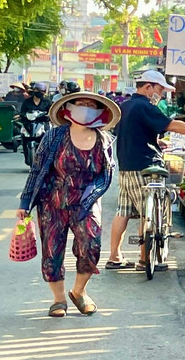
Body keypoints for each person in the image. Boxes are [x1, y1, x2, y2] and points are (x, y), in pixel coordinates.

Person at [105, 70, 185, 271]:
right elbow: (172, 125)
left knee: (123, 211)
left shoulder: (125, 106)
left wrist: (156, 141)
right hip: (144, 165)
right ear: (148, 87)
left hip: (126, 165)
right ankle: (144, 260)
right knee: (148, 212)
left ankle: (114, 256)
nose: (160, 95)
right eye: (159, 90)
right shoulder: (144, 105)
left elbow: (131, 133)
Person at [17, 91, 119, 317]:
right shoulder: (54, 137)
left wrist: (93, 194)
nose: (85, 108)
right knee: (52, 251)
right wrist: (25, 202)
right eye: (81, 104)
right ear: (69, 108)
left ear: (99, 112)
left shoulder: (105, 140)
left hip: (86, 203)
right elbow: (37, 171)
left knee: (91, 246)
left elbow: (106, 175)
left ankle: (79, 292)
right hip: (51, 202)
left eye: (91, 105)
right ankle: (59, 299)